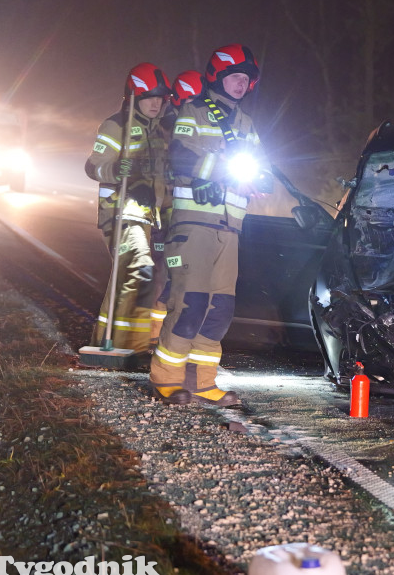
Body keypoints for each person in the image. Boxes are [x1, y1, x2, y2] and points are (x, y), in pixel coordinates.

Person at [150, 45, 271, 406]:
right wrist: (217, 170)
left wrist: (259, 179)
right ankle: (166, 379)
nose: (241, 83)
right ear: (218, 76)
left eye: (246, 78)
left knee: (219, 309)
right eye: (235, 76)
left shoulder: (247, 125)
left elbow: (262, 170)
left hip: (229, 230)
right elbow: (181, 154)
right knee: (190, 302)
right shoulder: (194, 110)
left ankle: (202, 383)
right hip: (195, 225)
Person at [85, 63, 171, 354]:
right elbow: (92, 167)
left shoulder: (158, 132)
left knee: (137, 277)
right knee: (140, 269)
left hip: (147, 218)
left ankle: (112, 343)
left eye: (160, 97)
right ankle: (131, 346)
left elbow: (161, 181)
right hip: (120, 214)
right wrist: (117, 169)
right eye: (149, 96)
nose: (155, 102)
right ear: (133, 95)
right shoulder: (116, 125)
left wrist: (168, 216)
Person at [149, 70, 206, 346]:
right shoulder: (166, 128)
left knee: (182, 271)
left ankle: (173, 332)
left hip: (190, 213)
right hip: (166, 211)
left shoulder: (199, 122)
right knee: (163, 269)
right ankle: (154, 334)